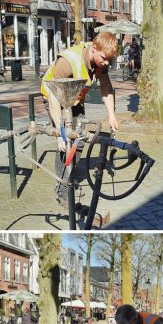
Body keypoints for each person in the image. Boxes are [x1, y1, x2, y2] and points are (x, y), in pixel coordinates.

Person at [40, 32, 119, 222]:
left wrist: (111, 114)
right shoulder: (68, 61)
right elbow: (53, 97)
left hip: (74, 98)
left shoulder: (100, 62)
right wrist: (59, 130)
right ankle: (62, 189)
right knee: (66, 142)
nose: (106, 63)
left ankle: (70, 177)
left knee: (79, 140)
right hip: (55, 98)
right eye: (104, 58)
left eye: (109, 60)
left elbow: (106, 87)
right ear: (94, 48)